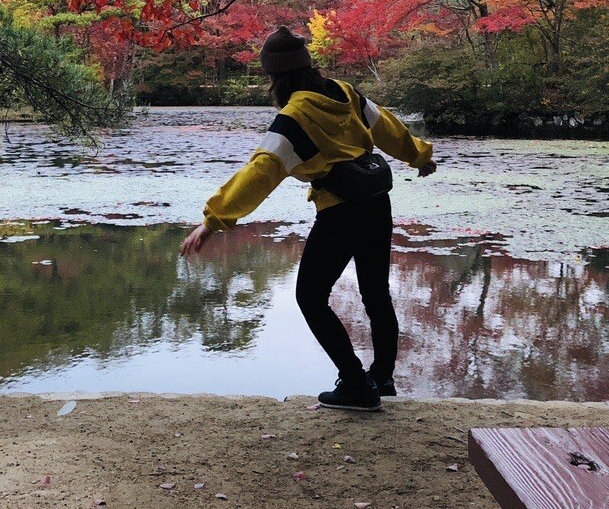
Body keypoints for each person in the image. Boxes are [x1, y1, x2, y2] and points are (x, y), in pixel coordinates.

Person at [180, 26, 436, 411]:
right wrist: (418, 155)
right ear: (308, 66)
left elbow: (261, 171)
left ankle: (355, 384)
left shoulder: (294, 116)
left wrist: (214, 220)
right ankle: (381, 377)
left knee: (310, 298)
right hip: (376, 202)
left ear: (275, 77)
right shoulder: (344, 92)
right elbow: (385, 125)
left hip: (340, 211)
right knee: (376, 293)